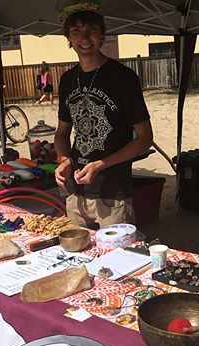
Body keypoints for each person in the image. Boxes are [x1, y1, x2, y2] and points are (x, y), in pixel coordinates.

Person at [54, 1, 153, 229]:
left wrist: (100, 164)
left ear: (103, 36)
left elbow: (145, 138)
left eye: (92, 30)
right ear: (69, 38)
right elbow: (62, 133)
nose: (85, 38)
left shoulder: (124, 78)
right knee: (75, 260)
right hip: (76, 194)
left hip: (113, 196)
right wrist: (64, 160)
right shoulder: (67, 80)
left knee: (116, 261)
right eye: (77, 31)